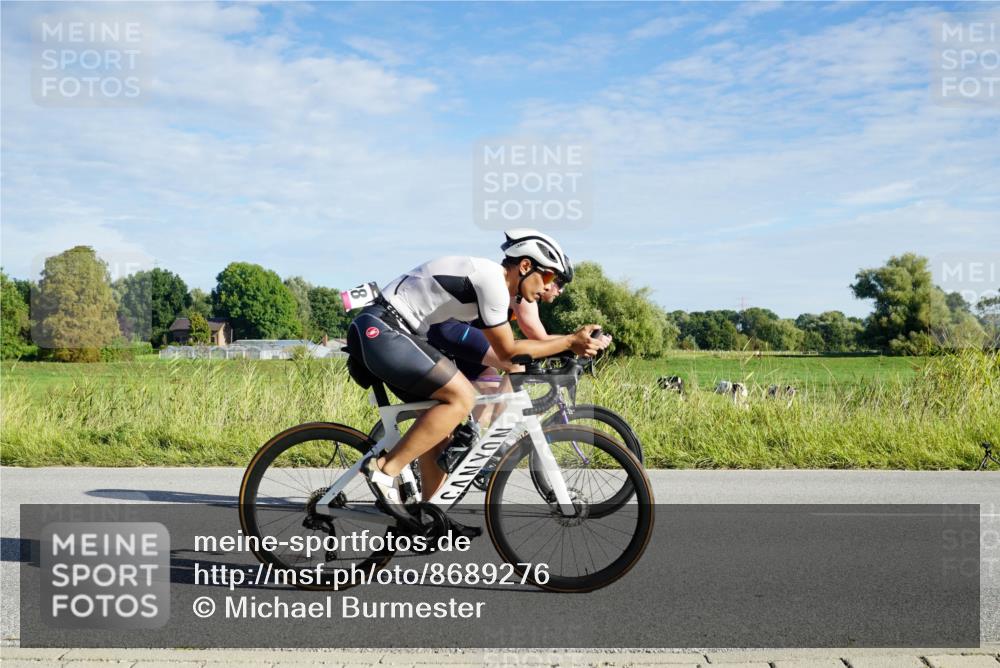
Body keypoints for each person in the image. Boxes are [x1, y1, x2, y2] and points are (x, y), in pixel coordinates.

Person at [347, 230, 602, 520]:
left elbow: (516, 348)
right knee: (462, 397)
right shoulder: (492, 281)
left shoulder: (500, 288)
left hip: (398, 332)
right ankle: (385, 470)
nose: (548, 288)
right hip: (384, 328)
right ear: (526, 267)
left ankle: (430, 513)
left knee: (442, 427)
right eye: (547, 278)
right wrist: (569, 342)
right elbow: (507, 353)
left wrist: (567, 348)